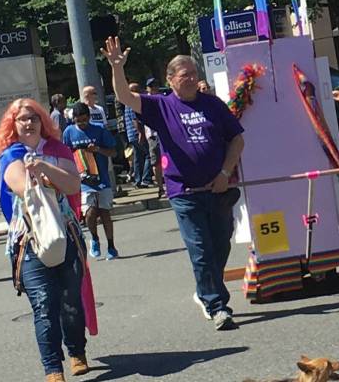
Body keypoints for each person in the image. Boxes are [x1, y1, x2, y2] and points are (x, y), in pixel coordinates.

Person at [105, 39, 245, 331]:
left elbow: (237, 139)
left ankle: (205, 290)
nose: (191, 79)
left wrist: (225, 172)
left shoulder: (213, 105)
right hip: (185, 192)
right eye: (184, 75)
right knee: (201, 250)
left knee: (220, 246)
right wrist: (117, 68)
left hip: (218, 189)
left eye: (194, 73)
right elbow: (124, 96)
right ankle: (218, 306)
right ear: (170, 80)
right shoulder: (161, 105)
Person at [0, 98, 89, 382]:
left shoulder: (57, 149)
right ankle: (53, 370)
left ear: (42, 121)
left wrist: (44, 167)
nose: (29, 123)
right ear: (13, 124)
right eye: (22, 118)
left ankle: (77, 351)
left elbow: (73, 185)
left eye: (34, 117)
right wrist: (49, 176)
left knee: (71, 300)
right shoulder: (10, 154)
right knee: (44, 304)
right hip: (29, 240)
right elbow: (23, 186)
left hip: (66, 233)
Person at [63, 102, 119, 260]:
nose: (81, 123)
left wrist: (98, 149)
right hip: (83, 180)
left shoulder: (99, 129)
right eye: (78, 120)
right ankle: (94, 238)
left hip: (102, 179)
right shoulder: (68, 132)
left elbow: (113, 152)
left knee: (105, 212)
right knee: (90, 212)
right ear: (73, 119)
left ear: (89, 117)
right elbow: (65, 154)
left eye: (84, 119)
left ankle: (111, 246)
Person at [124, 82, 153, 188]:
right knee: (149, 155)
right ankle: (146, 179)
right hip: (137, 133)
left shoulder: (127, 102)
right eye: (139, 90)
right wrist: (141, 133)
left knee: (138, 158)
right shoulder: (133, 102)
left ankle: (137, 180)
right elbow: (135, 119)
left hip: (131, 135)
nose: (141, 92)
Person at [144, 77, 165, 196]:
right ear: (147, 88)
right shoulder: (145, 100)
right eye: (151, 86)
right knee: (156, 162)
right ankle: (160, 187)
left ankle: (169, 184)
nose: (154, 88)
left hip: (164, 133)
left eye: (156, 85)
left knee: (167, 160)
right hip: (152, 135)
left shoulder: (162, 98)